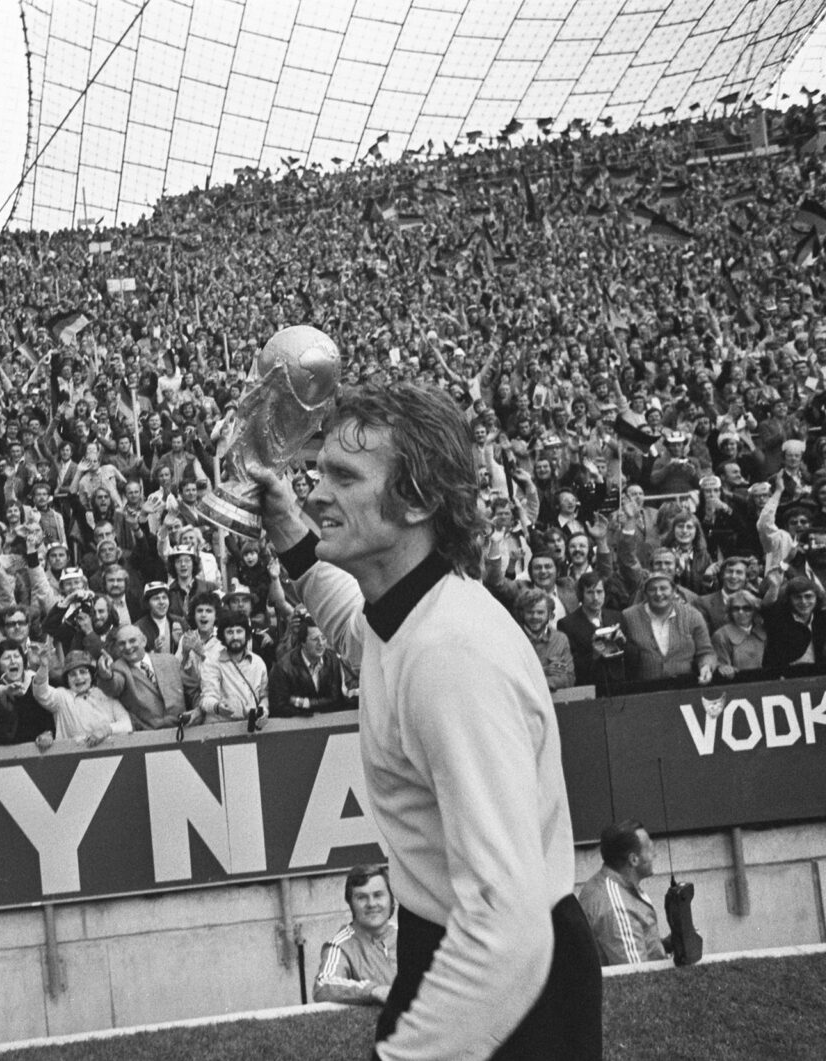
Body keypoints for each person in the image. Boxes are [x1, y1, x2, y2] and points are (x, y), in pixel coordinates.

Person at [253, 382, 599, 1060]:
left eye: (344, 477)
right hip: (456, 944)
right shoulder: (410, 612)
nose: (315, 493)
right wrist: (288, 529)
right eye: (319, 472)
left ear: (415, 500)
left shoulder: (450, 656)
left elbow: (506, 919)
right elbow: (356, 628)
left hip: (507, 981)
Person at [576, 820, 669, 967]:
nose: (655, 854)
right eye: (649, 850)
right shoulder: (617, 907)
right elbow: (636, 974)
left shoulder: (613, 884)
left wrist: (666, 945)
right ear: (633, 860)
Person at [312, 863, 398, 1006]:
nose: (371, 904)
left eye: (378, 895)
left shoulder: (408, 936)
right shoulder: (340, 946)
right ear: (351, 903)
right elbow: (323, 985)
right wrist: (373, 991)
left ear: (391, 898)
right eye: (362, 897)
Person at [269, 617, 348, 717]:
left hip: (328, 719)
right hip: (296, 721)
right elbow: (278, 707)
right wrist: (308, 712)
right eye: (315, 639)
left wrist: (305, 703)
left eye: (323, 638)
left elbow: (335, 699)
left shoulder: (333, 659)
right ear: (303, 642)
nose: (321, 643)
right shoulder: (283, 667)